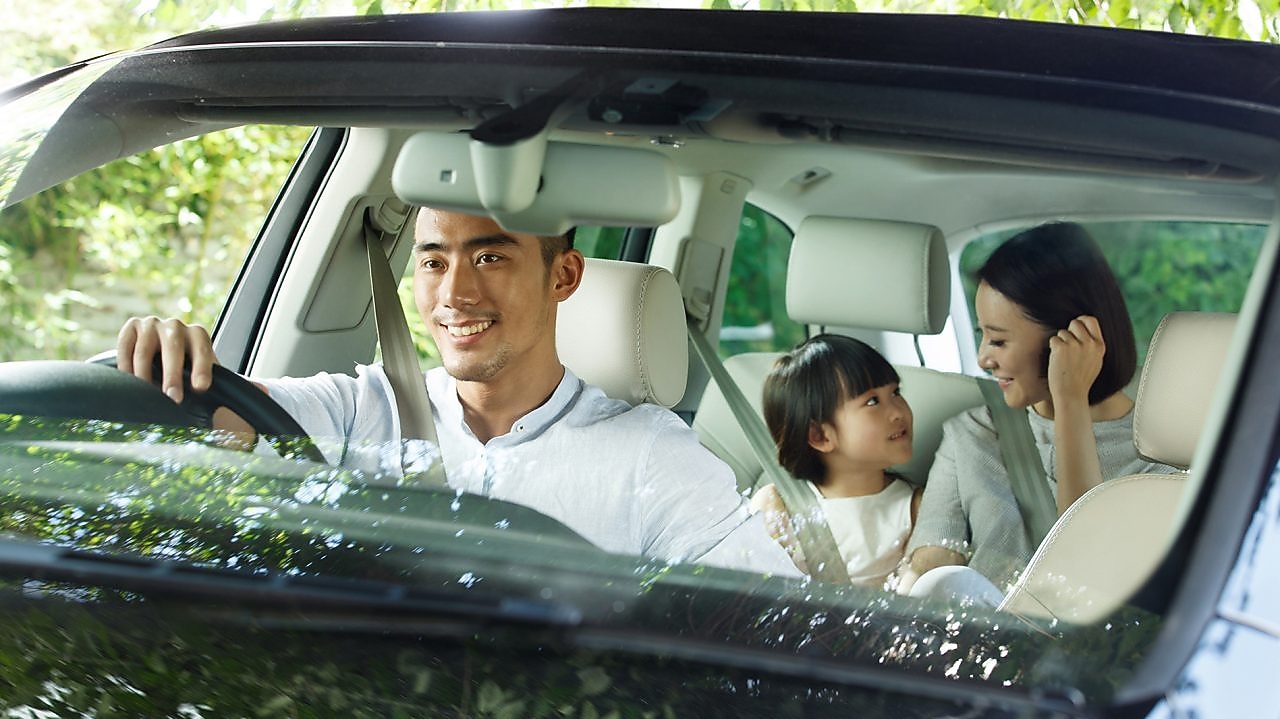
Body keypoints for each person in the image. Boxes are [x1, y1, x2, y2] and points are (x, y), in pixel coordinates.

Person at [114, 208, 800, 578]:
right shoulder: (361, 410)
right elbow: (223, 425)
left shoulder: (654, 458)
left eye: (491, 257)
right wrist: (166, 362)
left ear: (563, 276)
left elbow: (767, 626)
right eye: (434, 260)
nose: (455, 294)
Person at [899, 222, 1175, 599]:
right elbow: (928, 568)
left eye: (998, 340)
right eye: (981, 335)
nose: (982, 359)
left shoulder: (1161, 462)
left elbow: (1082, 567)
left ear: (1069, 339)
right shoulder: (972, 432)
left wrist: (1070, 401)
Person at [748, 334, 921, 589]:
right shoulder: (777, 506)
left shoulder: (915, 508)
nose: (898, 412)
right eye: (872, 401)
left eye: (896, 392)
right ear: (819, 436)